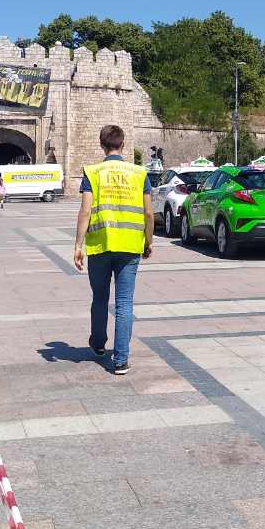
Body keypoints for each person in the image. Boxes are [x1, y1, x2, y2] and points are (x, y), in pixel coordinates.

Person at [73, 125, 154, 376]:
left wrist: (78, 245)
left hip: (100, 244)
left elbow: (85, 211)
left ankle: (98, 344)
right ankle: (120, 360)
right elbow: (148, 213)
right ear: (123, 144)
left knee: (99, 297)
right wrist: (148, 241)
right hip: (129, 245)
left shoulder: (93, 172)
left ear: (101, 145)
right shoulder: (139, 173)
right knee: (124, 303)